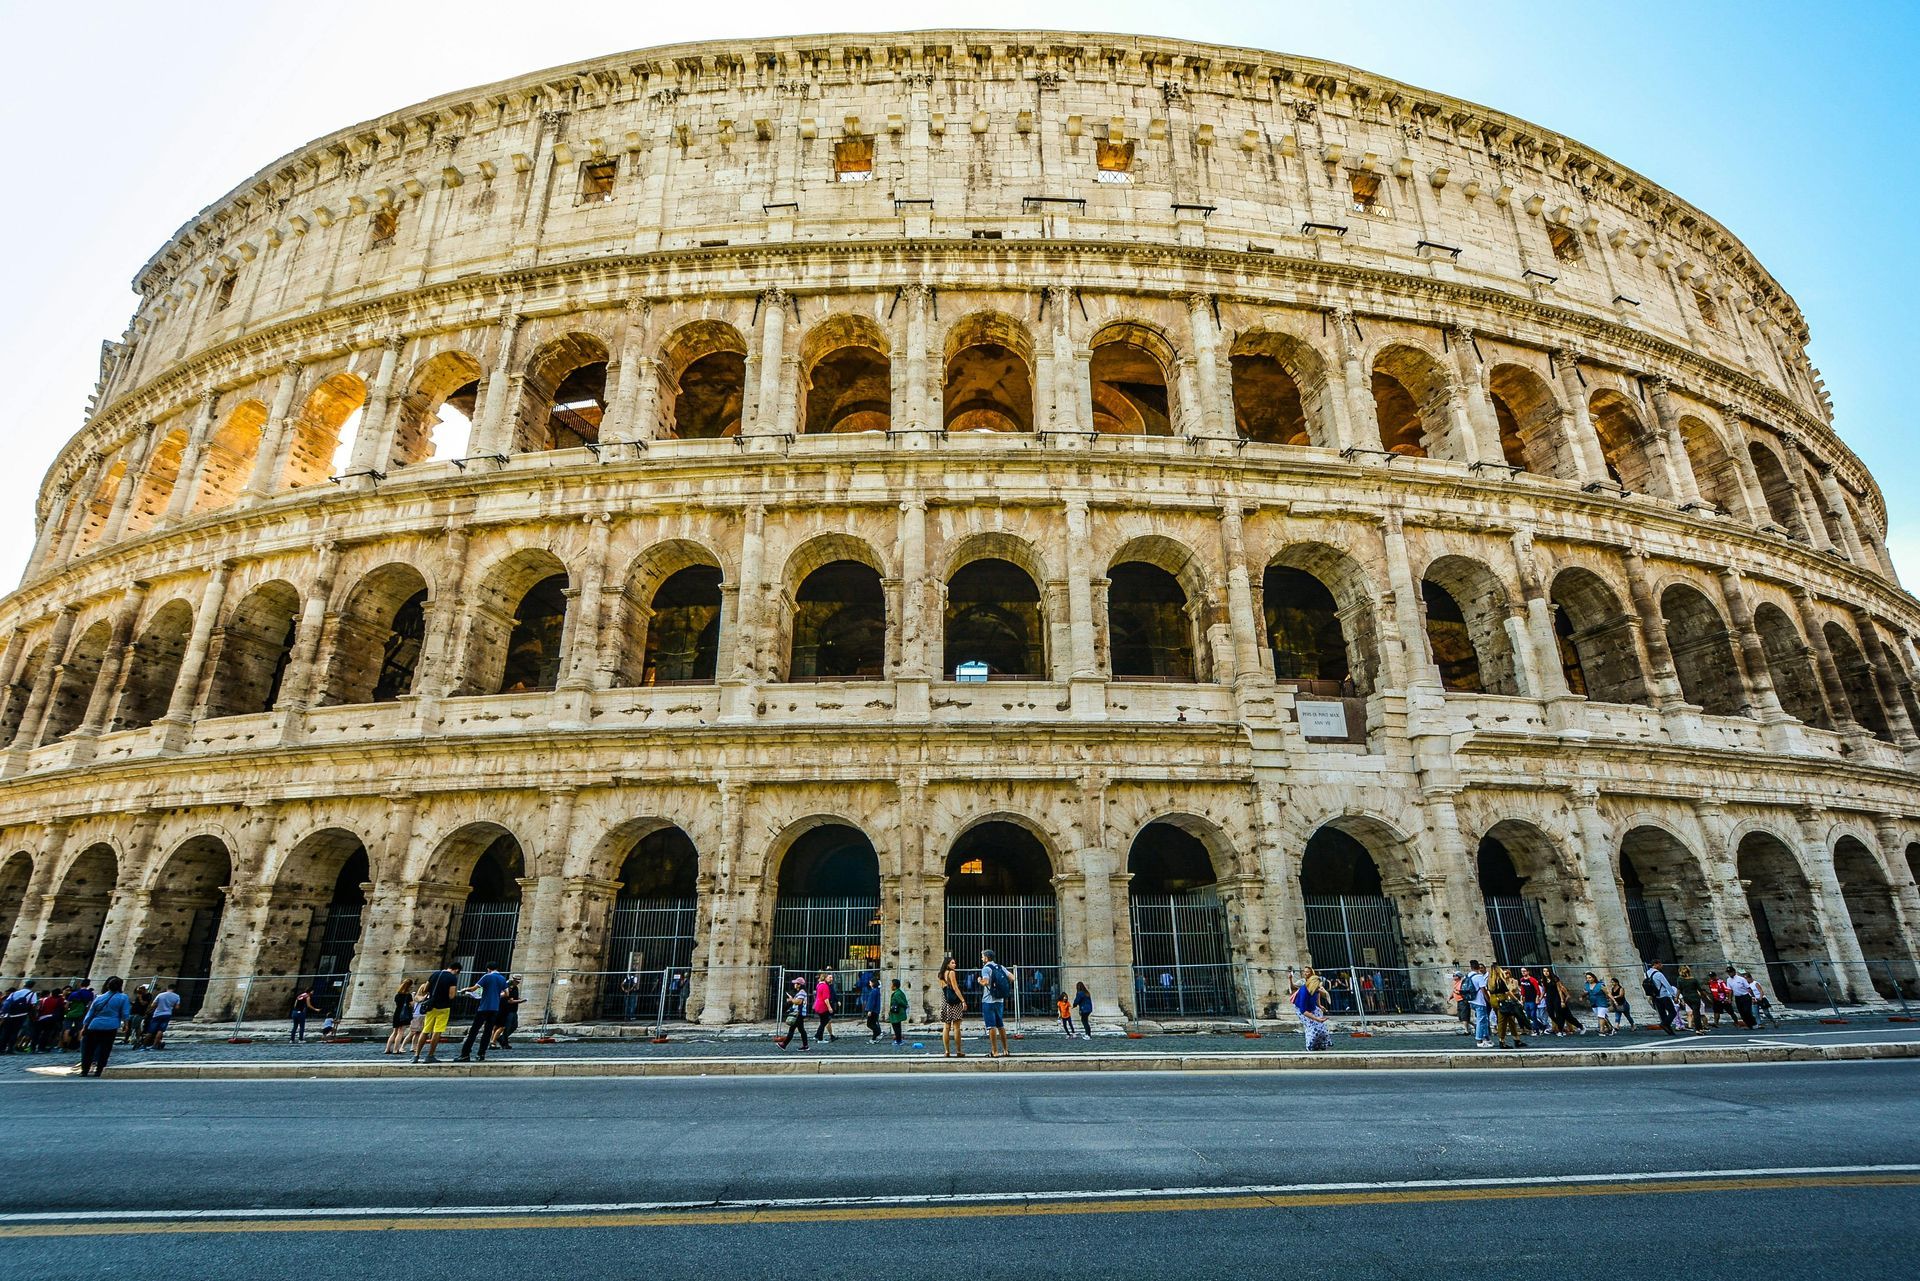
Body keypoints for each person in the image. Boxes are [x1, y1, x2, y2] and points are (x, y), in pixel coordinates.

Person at [76, 977, 132, 1077]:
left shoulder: (99, 997)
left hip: (94, 1025)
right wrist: (126, 1024)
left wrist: (85, 1026)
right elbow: (125, 1013)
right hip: (111, 1026)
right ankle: (99, 1070)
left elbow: (90, 1013)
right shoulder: (123, 997)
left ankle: (84, 1070)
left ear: (107, 986)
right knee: (105, 1049)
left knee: (88, 1049)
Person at [456, 964, 510, 1062]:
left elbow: (473, 988)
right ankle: (481, 1054)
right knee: (487, 1032)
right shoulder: (502, 978)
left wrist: (465, 989)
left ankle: (465, 1054)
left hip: (484, 1008)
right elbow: (506, 994)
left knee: (474, 1031)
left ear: (488, 969)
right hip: (494, 1009)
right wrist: (497, 996)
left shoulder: (487, 976)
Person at [413, 962, 460, 1064]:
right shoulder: (452, 978)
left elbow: (425, 989)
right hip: (444, 1007)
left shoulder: (435, 974)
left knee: (425, 1030)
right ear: (456, 970)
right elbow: (451, 995)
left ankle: (416, 1055)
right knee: (437, 1031)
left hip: (431, 1006)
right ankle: (430, 1055)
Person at [978, 949, 1013, 1058]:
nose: (981, 958)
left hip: (989, 1000)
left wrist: (979, 980)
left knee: (991, 1026)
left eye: (982, 956)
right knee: (1000, 1025)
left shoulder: (986, 968)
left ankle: (995, 1051)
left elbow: (986, 982)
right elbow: (1012, 977)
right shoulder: (1000, 967)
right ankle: (1006, 1050)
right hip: (1000, 1000)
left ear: (987, 958)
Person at [1487, 963, 1529, 1049]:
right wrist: (1516, 1000)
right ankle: (1502, 1041)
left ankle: (1516, 1039)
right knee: (1503, 1021)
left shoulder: (1490, 981)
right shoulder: (1499, 980)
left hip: (1493, 1000)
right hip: (1502, 1000)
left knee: (1510, 1019)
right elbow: (1507, 992)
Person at [1293, 967, 1330, 1051]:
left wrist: (1320, 1005)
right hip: (1302, 1009)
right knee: (1312, 1028)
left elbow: (1318, 995)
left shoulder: (1315, 988)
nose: (1319, 988)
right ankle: (1310, 1047)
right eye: (1318, 987)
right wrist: (1316, 1018)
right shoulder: (1304, 991)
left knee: (1322, 1028)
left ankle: (1321, 1045)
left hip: (1312, 1006)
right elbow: (1303, 1011)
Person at [939, 956, 967, 1058]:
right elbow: (955, 988)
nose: (954, 964)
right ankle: (959, 1051)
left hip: (945, 1001)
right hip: (954, 1002)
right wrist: (963, 1000)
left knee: (946, 1027)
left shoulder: (941, 975)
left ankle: (947, 1051)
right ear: (947, 964)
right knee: (956, 1028)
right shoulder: (951, 973)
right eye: (952, 963)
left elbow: (944, 988)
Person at [777, 975, 810, 1050]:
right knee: (801, 1030)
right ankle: (805, 1045)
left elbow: (798, 1002)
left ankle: (784, 1044)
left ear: (799, 985)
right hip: (799, 1013)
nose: (794, 985)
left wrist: (791, 999)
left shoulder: (801, 992)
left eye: (796, 983)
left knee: (792, 1029)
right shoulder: (801, 992)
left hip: (798, 1013)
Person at [0, 981, 34, 1054]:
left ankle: (1, 1049)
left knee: (5, 1032)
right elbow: (33, 1005)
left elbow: (7, 1003)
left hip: (9, 1015)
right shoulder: (32, 994)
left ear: (24, 985)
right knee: (14, 1032)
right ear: (32, 986)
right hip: (21, 1015)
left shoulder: (14, 993)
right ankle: (10, 1049)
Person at [1644, 964, 1679, 1036]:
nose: (1661, 966)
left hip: (1655, 996)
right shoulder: (1659, 974)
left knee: (1662, 1013)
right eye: (1660, 964)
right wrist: (1674, 995)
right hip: (1663, 995)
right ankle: (1664, 1024)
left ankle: (1669, 1030)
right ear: (1656, 964)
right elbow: (1667, 985)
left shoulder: (1647, 973)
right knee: (1672, 1012)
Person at [490, 976, 524, 1050]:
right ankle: (499, 1042)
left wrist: (518, 999)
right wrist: (520, 1001)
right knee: (504, 1027)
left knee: (513, 1026)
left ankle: (498, 1040)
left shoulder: (514, 988)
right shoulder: (507, 988)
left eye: (518, 982)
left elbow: (512, 998)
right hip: (506, 1010)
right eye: (517, 981)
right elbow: (509, 1000)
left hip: (511, 1010)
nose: (518, 983)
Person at [1464, 960, 1492, 1047]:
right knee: (1481, 1021)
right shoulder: (1479, 977)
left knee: (1484, 1020)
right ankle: (1479, 1040)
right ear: (1478, 967)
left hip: (1471, 1001)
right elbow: (1483, 990)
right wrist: (1489, 1000)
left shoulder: (1468, 976)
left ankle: (1487, 1038)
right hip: (1480, 1001)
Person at [146, 983, 181, 1050]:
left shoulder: (161, 995)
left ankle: (144, 1045)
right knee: (160, 1030)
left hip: (157, 1014)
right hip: (167, 1014)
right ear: (174, 989)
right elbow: (177, 1007)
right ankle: (154, 1045)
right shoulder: (177, 996)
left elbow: (153, 1005)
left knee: (151, 1031)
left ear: (167, 988)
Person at [385, 979, 415, 1055]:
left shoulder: (397, 995)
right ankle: (395, 1049)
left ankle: (387, 1049)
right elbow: (412, 1005)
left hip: (397, 1013)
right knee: (400, 1032)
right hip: (403, 1015)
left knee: (394, 1032)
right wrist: (413, 997)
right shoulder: (408, 995)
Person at [1675, 965, 1706, 1033]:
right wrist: (1705, 997)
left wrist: (1676, 998)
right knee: (1696, 1013)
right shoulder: (1693, 980)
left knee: (1694, 1011)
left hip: (1686, 997)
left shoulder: (1680, 979)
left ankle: (1698, 1028)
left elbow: (1679, 989)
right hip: (1695, 997)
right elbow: (1700, 989)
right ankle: (1699, 1029)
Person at [812, 971, 837, 1043]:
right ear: (825, 978)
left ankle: (819, 1037)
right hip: (823, 1006)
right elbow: (826, 998)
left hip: (818, 1005)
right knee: (824, 1022)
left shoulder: (819, 985)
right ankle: (818, 1037)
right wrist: (829, 1007)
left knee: (823, 1022)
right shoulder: (825, 986)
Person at [886, 978, 909, 1047]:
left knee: (896, 1027)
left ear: (895, 986)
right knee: (898, 1027)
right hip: (897, 1013)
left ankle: (898, 1041)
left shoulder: (896, 994)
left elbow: (901, 1002)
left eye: (891, 985)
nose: (890, 986)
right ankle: (899, 1040)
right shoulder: (900, 992)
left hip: (896, 1014)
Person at [860, 973, 882, 1042]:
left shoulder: (874, 991)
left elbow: (872, 1002)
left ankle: (878, 1032)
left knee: (870, 1024)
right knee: (873, 1023)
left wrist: (870, 1010)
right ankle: (874, 1038)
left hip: (873, 1010)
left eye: (870, 983)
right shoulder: (876, 991)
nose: (869, 984)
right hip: (876, 1010)